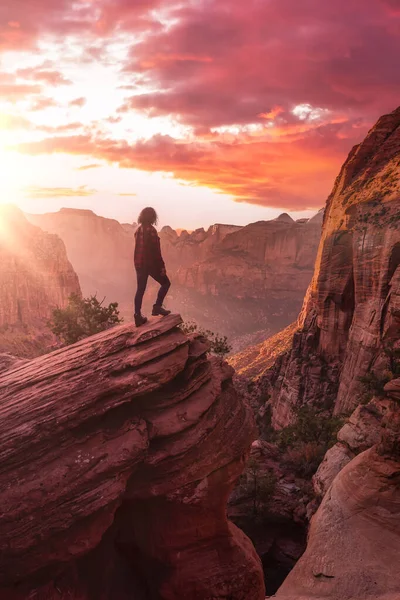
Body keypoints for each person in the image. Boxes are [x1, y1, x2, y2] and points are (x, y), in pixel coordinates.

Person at [134, 207, 171, 327]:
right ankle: (157, 307)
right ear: (153, 217)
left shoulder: (138, 230)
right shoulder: (152, 231)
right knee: (166, 283)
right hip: (150, 264)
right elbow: (156, 251)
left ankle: (137, 316)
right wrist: (162, 266)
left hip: (139, 264)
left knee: (140, 290)